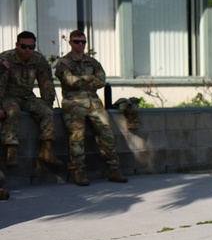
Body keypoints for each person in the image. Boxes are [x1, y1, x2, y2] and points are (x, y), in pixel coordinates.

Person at [54, 30, 127, 186]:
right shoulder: (63, 63)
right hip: (73, 102)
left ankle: (114, 169)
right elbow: (70, 81)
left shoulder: (92, 62)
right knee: (77, 137)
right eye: (76, 41)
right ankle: (78, 171)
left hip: (93, 101)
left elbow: (101, 80)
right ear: (70, 42)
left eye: (83, 42)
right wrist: (89, 78)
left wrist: (86, 81)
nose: (80, 45)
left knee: (106, 132)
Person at [0, 31, 63, 170]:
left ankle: (47, 151)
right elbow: (0, 83)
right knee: (12, 111)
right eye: (24, 46)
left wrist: (48, 103)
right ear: (17, 45)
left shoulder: (38, 59)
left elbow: (46, 82)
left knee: (47, 112)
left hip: (28, 96)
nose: (27, 50)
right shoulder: (6, 58)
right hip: (9, 96)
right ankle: (12, 151)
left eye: (31, 47)